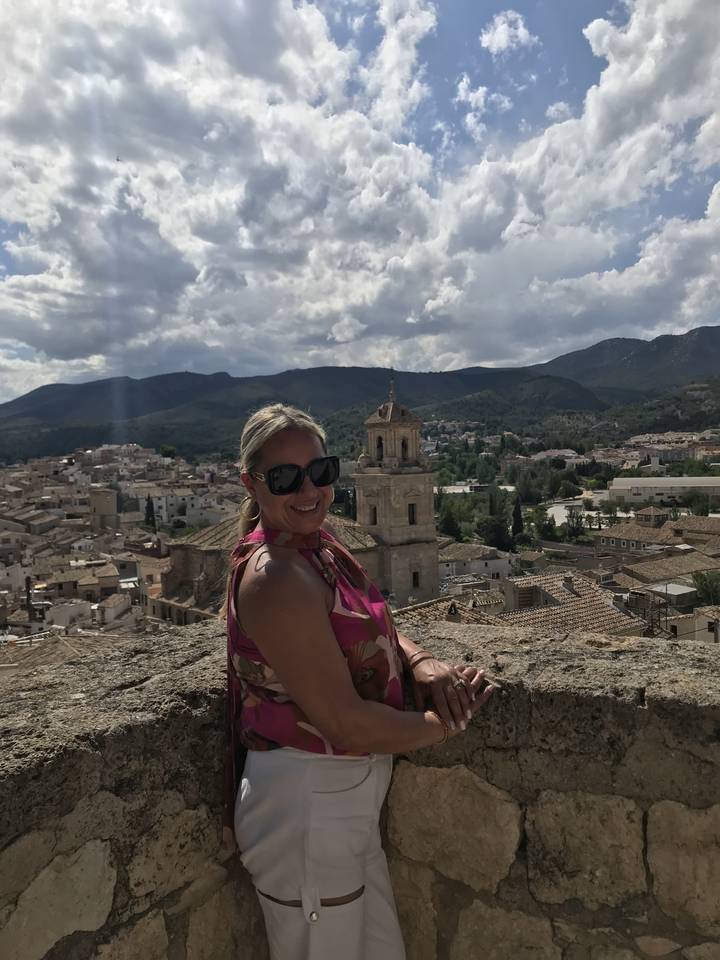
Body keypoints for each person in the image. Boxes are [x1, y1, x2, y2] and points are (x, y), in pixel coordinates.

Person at [225, 403, 499, 960]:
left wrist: (421, 662)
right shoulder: (276, 577)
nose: (309, 490)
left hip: (340, 809)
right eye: (285, 478)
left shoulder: (318, 550)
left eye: (320, 472)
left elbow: (367, 631)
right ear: (251, 482)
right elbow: (342, 721)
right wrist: (446, 721)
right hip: (305, 809)